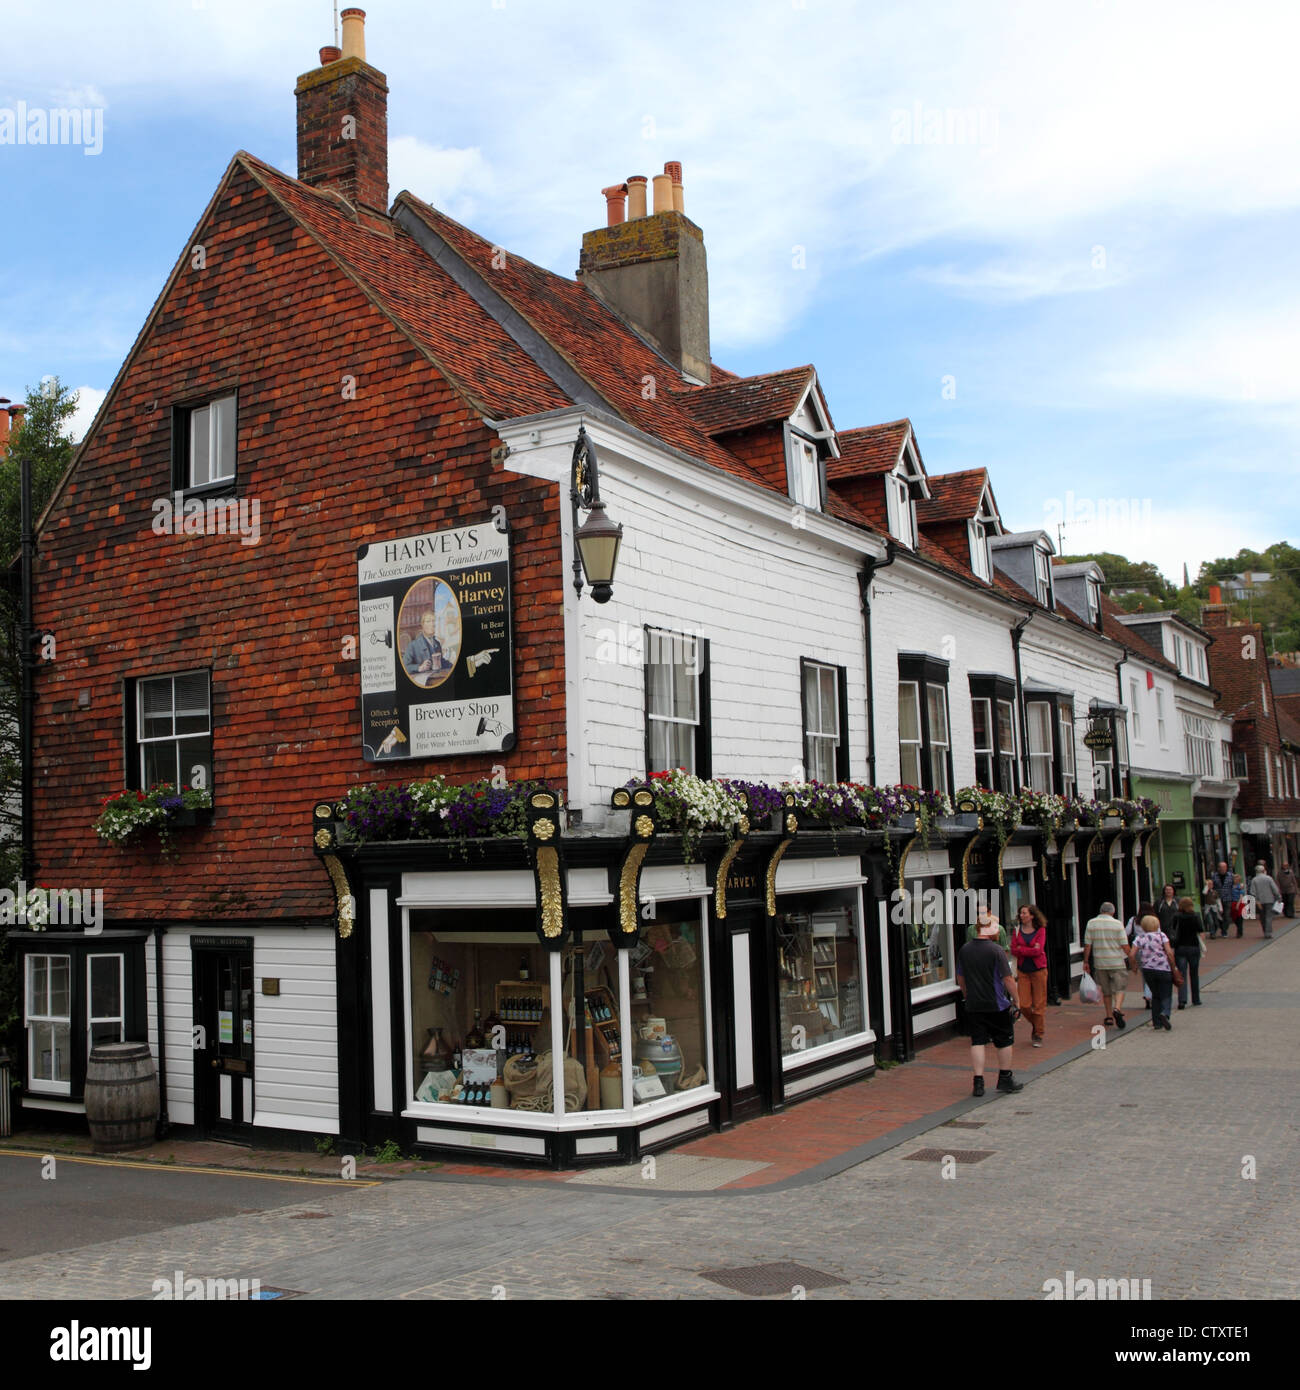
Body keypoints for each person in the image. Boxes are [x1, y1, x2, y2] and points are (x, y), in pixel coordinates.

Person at [956, 928, 1024, 1097]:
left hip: (974, 1004)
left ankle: (978, 1082)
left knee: (977, 1041)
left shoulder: (965, 949)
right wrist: (1017, 999)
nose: (998, 931)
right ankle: (1005, 1077)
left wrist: (966, 994)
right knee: (1004, 1041)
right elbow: (1007, 978)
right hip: (996, 1004)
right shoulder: (996, 950)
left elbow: (961, 977)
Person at [1082, 901, 1132, 1030]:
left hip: (1100, 963)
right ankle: (1117, 1008)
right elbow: (1124, 945)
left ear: (1101, 910)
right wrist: (1132, 959)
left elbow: (1088, 944)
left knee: (1106, 991)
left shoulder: (1091, 923)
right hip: (1116, 962)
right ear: (1112, 912)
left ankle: (1109, 1016)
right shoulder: (1117, 924)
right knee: (1120, 988)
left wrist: (1086, 961)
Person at [1009, 904, 1049, 1047]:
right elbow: (1013, 949)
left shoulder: (1040, 930)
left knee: (1039, 1004)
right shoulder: (1017, 931)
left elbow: (1039, 951)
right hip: (1023, 970)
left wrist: (1022, 949)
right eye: (1020, 913)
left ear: (1032, 915)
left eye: (1024, 913)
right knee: (1024, 1005)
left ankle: (1038, 1034)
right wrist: (1030, 949)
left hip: (1038, 970)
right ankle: (1037, 1025)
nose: (1022, 915)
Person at [1132, 914, 1176, 1030]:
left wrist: (1134, 966)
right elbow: (1169, 953)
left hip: (1148, 970)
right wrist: (1173, 966)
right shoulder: (1162, 936)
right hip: (1163, 968)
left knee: (1155, 994)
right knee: (1166, 993)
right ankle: (1165, 1013)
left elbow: (1131, 954)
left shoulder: (1140, 938)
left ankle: (1156, 1022)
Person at [1170, 895, 1204, 1009]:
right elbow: (1200, 929)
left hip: (1180, 948)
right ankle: (1196, 999)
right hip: (1193, 947)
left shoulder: (1177, 916)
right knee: (1194, 974)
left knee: (1182, 974)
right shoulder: (1195, 916)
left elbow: (1173, 929)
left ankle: (1182, 1000)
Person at [403, 609, 445, 678]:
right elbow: (405, 666)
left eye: (433, 621)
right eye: (428, 621)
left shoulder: (437, 643)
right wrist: (419, 668)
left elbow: (441, 662)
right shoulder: (413, 645)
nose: (432, 624)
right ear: (422, 625)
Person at [1248, 862, 1282, 940]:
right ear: (1263, 870)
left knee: (1262, 917)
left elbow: (1252, 892)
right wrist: (1278, 897)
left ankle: (1265, 930)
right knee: (1269, 917)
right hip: (1269, 900)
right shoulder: (1268, 878)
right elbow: (1274, 889)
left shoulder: (1254, 880)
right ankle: (1268, 932)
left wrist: (1256, 900)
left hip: (1260, 901)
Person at [1230, 874, 1247, 938]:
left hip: (1239, 903)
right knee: (1234, 917)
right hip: (1233, 902)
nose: (1235, 880)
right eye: (1234, 879)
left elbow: (1241, 896)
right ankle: (1239, 929)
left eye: (1236, 879)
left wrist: (1238, 904)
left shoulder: (1240, 886)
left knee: (1239, 918)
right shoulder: (1231, 886)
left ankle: (1239, 932)